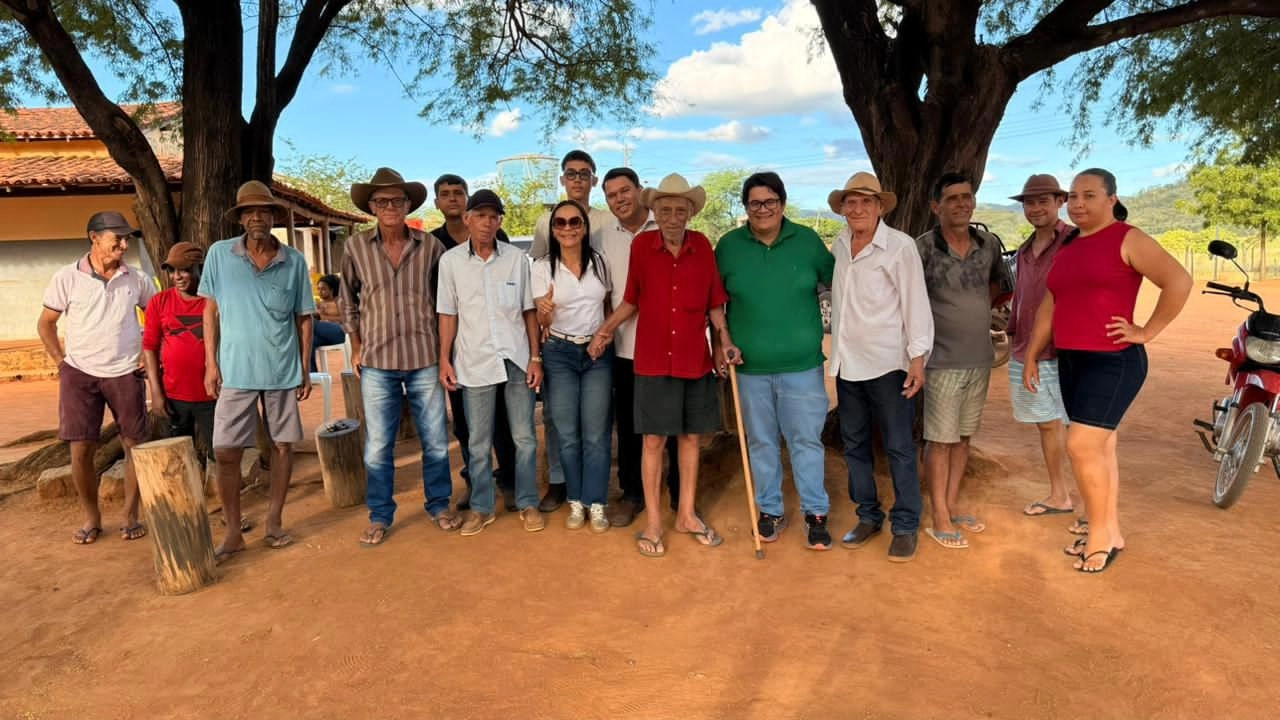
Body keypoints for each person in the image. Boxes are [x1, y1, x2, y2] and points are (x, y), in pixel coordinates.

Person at [1024, 168, 1191, 573]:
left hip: (1113, 360)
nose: (1078, 203)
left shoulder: (1127, 238)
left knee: (1081, 446)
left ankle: (1098, 536)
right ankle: (1110, 530)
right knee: (1101, 448)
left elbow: (1178, 281)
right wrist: (1032, 353)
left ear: (1111, 199)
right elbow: (1051, 304)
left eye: (1089, 195)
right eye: (1073, 196)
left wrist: (1146, 331)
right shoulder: (1070, 245)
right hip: (1072, 359)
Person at [589, 174, 737, 557]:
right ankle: (654, 522)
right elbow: (631, 299)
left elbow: (714, 303)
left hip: (693, 358)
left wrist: (725, 341)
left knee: (690, 438)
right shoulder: (642, 246)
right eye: (666, 210)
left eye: (680, 210)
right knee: (653, 440)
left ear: (690, 213)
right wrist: (604, 332)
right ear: (655, 211)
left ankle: (685, 514)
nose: (672, 217)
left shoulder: (702, 246)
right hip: (653, 359)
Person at [715, 172, 835, 550]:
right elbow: (715, 301)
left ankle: (816, 513)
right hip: (749, 368)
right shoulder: (729, 246)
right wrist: (721, 343)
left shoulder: (808, 241)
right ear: (746, 207)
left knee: (806, 441)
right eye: (754, 203)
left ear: (782, 204)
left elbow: (840, 283)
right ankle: (770, 510)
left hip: (802, 366)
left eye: (770, 202)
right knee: (761, 442)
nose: (762, 209)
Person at [200, 181, 315, 563]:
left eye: (263, 212)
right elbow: (210, 311)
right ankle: (233, 532)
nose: (256, 218)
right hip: (235, 371)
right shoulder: (220, 255)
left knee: (283, 446)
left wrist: (305, 368)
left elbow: (304, 318)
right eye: (249, 212)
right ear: (240, 219)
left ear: (273, 217)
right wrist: (211, 363)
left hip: (282, 369)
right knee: (226, 451)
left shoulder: (293, 261)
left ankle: (274, 522)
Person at [342, 167, 457, 545]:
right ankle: (380, 514)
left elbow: (446, 302)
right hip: (376, 360)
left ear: (408, 205)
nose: (390, 206)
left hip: (424, 355)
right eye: (382, 201)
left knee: (435, 439)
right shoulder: (356, 247)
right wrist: (356, 346)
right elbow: (348, 300)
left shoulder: (431, 247)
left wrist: (444, 353)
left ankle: (439, 504)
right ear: (372, 207)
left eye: (397, 200)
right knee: (378, 445)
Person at [827, 173, 933, 562]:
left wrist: (917, 358)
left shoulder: (900, 247)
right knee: (855, 445)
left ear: (880, 207)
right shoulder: (840, 245)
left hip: (889, 365)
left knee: (899, 446)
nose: (858, 209)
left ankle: (905, 524)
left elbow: (915, 303)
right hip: (848, 364)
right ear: (843, 208)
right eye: (851, 202)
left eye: (866, 202)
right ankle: (868, 516)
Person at [37, 211, 155, 544]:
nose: (124, 244)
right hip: (79, 374)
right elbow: (46, 323)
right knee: (81, 449)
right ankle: (91, 517)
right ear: (94, 237)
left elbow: (156, 318)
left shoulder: (137, 279)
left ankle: (130, 515)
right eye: (117, 238)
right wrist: (62, 363)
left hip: (126, 372)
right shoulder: (67, 277)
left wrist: (148, 356)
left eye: (126, 238)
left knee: (135, 445)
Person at [437, 189, 546, 535]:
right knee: (478, 441)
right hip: (474, 360)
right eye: (480, 215)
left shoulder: (516, 259)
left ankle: (528, 501)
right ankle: (482, 507)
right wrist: (444, 359)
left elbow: (529, 311)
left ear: (499, 222)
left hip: (516, 358)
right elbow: (448, 314)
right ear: (467, 219)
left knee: (524, 437)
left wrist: (535, 357)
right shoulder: (451, 262)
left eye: (493, 216)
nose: (486, 222)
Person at [915, 173, 1012, 549]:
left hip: (979, 358)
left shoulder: (988, 244)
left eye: (966, 197)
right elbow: (910, 298)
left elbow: (997, 285)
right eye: (952, 198)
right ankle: (939, 516)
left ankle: (952, 506)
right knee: (939, 440)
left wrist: (974, 311)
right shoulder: (923, 248)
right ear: (935, 206)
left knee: (963, 436)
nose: (961, 204)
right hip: (940, 359)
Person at [529, 150, 613, 512]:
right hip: (559, 353)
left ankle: (596, 501)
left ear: (584, 226)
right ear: (552, 229)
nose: (567, 227)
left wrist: (606, 333)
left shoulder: (601, 261)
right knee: (565, 429)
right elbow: (539, 319)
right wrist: (544, 316)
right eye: (560, 223)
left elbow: (607, 304)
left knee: (596, 432)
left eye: (574, 222)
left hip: (597, 353)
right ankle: (573, 497)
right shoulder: (541, 267)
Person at [597, 167, 679, 528]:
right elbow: (603, 293)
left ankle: (679, 494)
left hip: (670, 346)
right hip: (625, 347)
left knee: (676, 425)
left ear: (639, 190)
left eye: (625, 191)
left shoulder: (666, 225)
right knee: (631, 425)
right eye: (612, 195)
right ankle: (633, 494)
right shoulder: (601, 238)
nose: (620, 199)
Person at [431, 173, 517, 512]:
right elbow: (441, 305)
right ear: (437, 202)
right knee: (466, 424)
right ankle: (474, 482)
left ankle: (510, 481)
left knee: (504, 421)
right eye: (445, 194)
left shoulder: (497, 236)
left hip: (499, 347)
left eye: (458, 192)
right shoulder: (434, 245)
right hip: (459, 348)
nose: (452, 198)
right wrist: (444, 353)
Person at [1006, 174, 1076, 521]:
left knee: (1079, 429)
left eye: (1043, 201)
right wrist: (1012, 332)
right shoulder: (1023, 250)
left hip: (1068, 350)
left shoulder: (1075, 241)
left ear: (1060, 202)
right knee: (1047, 424)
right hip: (1027, 350)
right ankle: (1060, 494)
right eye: (1029, 202)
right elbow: (1022, 297)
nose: (1035, 208)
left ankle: (1089, 504)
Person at [143, 242, 216, 468]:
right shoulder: (159, 302)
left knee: (220, 454)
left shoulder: (215, 301)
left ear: (199, 269)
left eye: (184, 270)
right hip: (174, 396)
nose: (177, 276)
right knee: (180, 460)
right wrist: (156, 392)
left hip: (213, 395)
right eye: (172, 270)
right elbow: (149, 347)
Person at [312, 274, 346, 368]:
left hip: (341, 333)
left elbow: (347, 319)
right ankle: (312, 373)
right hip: (326, 336)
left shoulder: (339, 301)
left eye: (323, 289)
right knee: (309, 341)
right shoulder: (319, 304)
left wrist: (322, 317)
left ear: (332, 290)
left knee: (309, 323)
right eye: (318, 289)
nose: (320, 292)